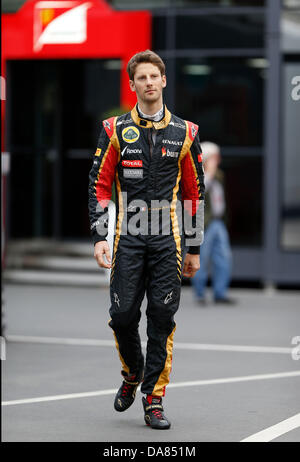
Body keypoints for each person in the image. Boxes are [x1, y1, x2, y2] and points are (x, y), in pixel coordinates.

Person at [88, 50, 204, 430]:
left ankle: (154, 399)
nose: (149, 83)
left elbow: (194, 193)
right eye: (142, 78)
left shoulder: (186, 133)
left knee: (162, 319)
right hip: (128, 239)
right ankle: (132, 373)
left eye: (154, 76)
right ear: (133, 84)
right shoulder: (115, 130)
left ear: (164, 81)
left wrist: (194, 248)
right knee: (122, 317)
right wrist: (101, 235)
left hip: (167, 241)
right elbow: (99, 186)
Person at [191, 141, 236, 305]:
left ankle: (220, 292)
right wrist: (208, 172)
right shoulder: (198, 173)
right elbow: (199, 192)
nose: (218, 160)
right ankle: (200, 293)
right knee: (201, 257)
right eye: (215, 157)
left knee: (224, 257)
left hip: (218, 222)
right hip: (204, 223)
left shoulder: (219, 175)